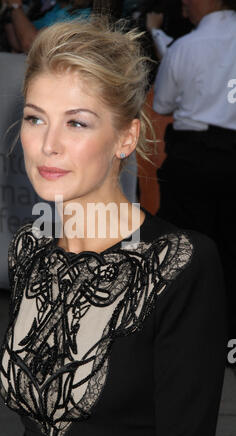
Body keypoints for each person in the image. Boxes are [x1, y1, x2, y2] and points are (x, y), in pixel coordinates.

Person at [0, 17, 228, 436]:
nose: (49, 144)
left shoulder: (178, 264)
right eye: (35, 119)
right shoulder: (28, 248)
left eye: (77, 123)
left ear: (126, 137)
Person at [153, 0, 236, 347]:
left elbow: (161, 104)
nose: (184, 2)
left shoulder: (187, 47)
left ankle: (185, 335)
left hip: (192, 160)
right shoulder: (187, 44)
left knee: (184, 250)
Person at [2, 0, 92, 53]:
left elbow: (31, 44)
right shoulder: (57, 8)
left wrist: (15, 7)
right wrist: (8, 8)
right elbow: (18, 44)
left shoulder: (82, 15)